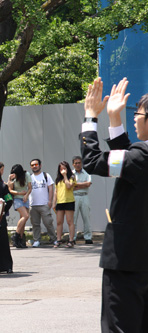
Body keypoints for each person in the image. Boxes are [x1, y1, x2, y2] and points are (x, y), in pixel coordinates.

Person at [81, 77, 148, 331]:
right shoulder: (140, 158)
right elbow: (130, 163)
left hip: (126, 263)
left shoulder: (141, 158)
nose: (135, 117)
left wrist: (90, 117)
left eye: (138, 112)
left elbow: (92, 160)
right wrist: (115, 119)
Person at [29, 159, 58, 247]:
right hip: (33, 205)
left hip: (44, 204)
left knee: (48, 222)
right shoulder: (29, 177)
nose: (34, 166)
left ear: (40, 165)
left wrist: (50, 201)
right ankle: (36, 240)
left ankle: (54, 239)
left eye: (36, 164)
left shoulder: (46, 175)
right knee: (35, 224)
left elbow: (51, 189)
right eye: (32, 165)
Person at [52, 161, 76, 248]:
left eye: (64, 168)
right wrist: (53, 202)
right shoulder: (58, 179)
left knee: (70, 221)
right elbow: (56, 191)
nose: (62, 170)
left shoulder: (72, 176)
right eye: (61, 169)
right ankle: (58, 239)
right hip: (60, 202)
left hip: (69, 201)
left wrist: (65, 175)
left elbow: (69, 186)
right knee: (59, 222)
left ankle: (71, 240)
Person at [8, 164, 32, 248]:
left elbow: (30, 188)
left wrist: (26, 196)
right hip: (17, 199)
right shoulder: (11, 177)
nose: (14, 175)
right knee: (26, 216)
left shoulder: (27, 175)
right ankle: (16, 235)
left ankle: (20, 241)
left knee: (23, 219)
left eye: (16, 173)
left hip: (25, 199)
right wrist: (19, 193)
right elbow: (10, 190)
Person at [71, 156, 93, 244]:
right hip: (74, 196)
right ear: (73, 164)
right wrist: (82, 184)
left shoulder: (87, 172)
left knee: (86, 217)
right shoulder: (71, 174)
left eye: (79, 163)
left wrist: (76, 185)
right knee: (73, 218)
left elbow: (88, 184)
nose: (77, 164)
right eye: (75, 163)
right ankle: (73, 238)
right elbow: (70, 186)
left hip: (84, 196)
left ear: (81, 163)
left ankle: (88, 237)